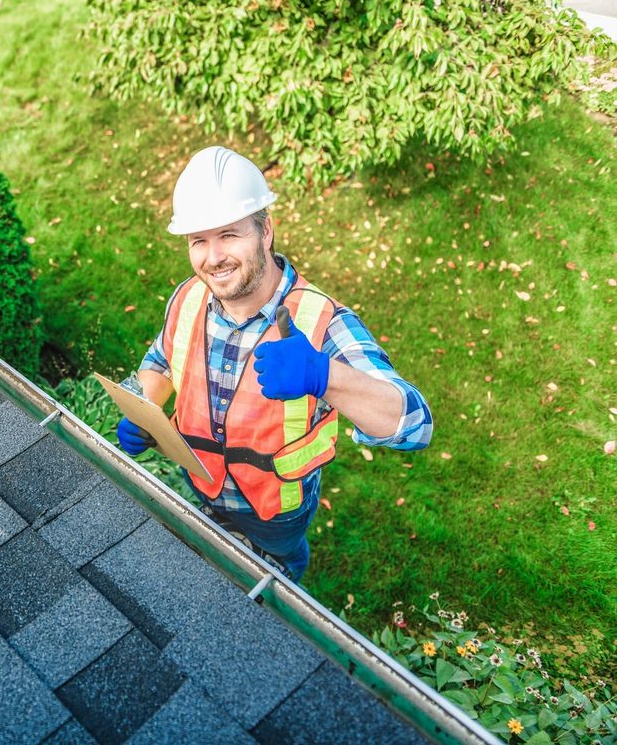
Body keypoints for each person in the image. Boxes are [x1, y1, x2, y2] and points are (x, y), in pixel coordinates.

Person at [117, 146, 432, 583]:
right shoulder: (188, 298)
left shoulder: (321, 323)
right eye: (198, 241)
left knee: (279, 570)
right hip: (201, 485)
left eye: (229, 234)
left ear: (266, 231)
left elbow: (416, 423)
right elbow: (161, 361)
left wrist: (324, 375)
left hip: (276, 510)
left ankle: (288, 572)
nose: (213, 257)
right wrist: (144, 409)